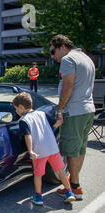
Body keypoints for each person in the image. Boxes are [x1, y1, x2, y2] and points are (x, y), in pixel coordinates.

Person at [49, 34, 96, 200]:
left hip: (74, 110)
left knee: (70, 149)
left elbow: (68, 86)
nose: (53, 57)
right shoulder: (86, 58)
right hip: (88, 109)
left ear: (62, 46)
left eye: (53, 51)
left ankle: (74, 186)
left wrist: (60, 110)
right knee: (80, 148)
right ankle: (74, 182)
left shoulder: (68, 60)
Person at [13, 92, 75, 205]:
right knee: (61, 171)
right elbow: (56, 124)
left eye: (16, 109)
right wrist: (60, 117)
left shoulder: (24, 120)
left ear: (21, 107)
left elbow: (28, 136)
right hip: (52, 147)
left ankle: (38, 196)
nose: (16, 111)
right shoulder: (41, 114)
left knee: (38, 174)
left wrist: (31, 150)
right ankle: (69, 192)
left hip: (39, 151)